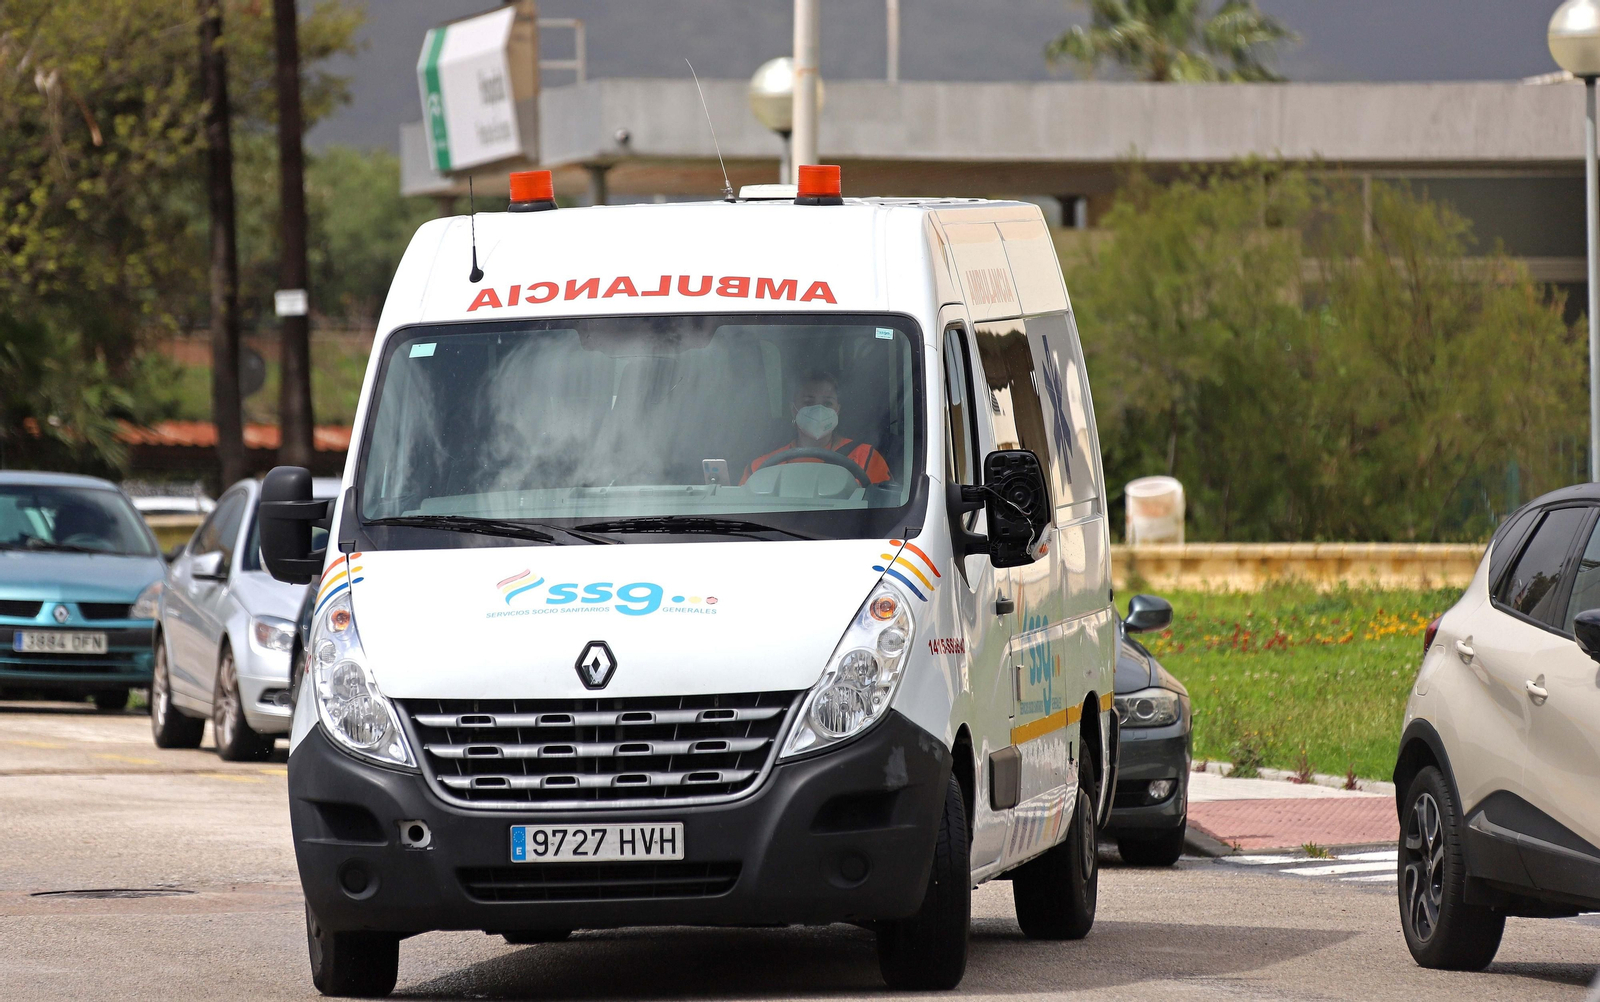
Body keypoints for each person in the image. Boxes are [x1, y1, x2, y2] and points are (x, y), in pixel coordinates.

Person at [741, 370, 892, 485]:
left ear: (837, 410)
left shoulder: (865, 457)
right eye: (808, 403)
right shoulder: (760, 467)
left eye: (827, 404)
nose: (818, 410)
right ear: (793, 410)